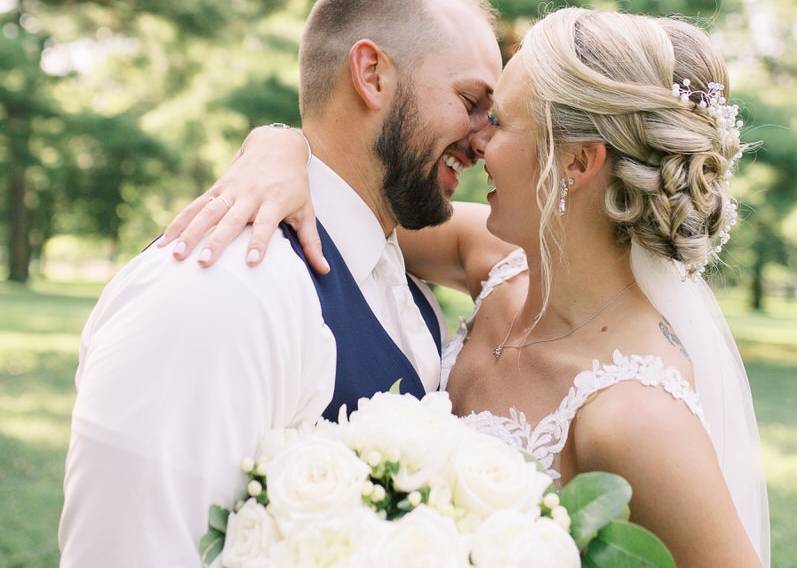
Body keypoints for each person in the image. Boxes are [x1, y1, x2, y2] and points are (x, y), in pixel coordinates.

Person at [164, 7, 772, 567]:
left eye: (500, 121)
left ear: (578, 164)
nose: (475, 141)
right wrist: (276, 145)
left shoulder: (637, 416)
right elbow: (354, 204)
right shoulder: (497, 259)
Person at [58, 1, 502, 565]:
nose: (484, 141)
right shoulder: (220, 290)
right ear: (372, 76)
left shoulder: (398, 273)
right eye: (471, 103)